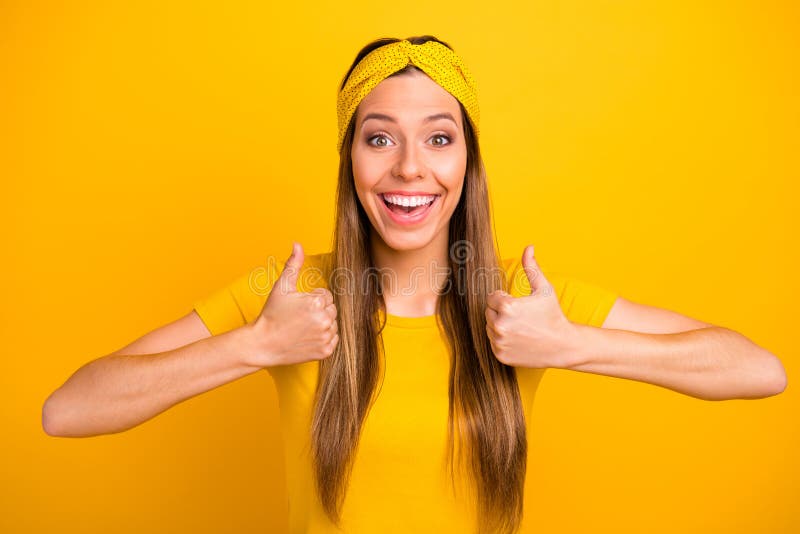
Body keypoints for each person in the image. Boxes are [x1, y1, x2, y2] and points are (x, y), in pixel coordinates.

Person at [41, 35, 787, 534]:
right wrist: (254, 344)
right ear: (350, 162)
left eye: (438, 136)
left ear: (468, 164)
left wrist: (572, 344)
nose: (408, 168)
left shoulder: (523, 306)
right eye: (378, 138)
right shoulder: (288, 296)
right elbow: (68, 410)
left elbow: (760, 370)